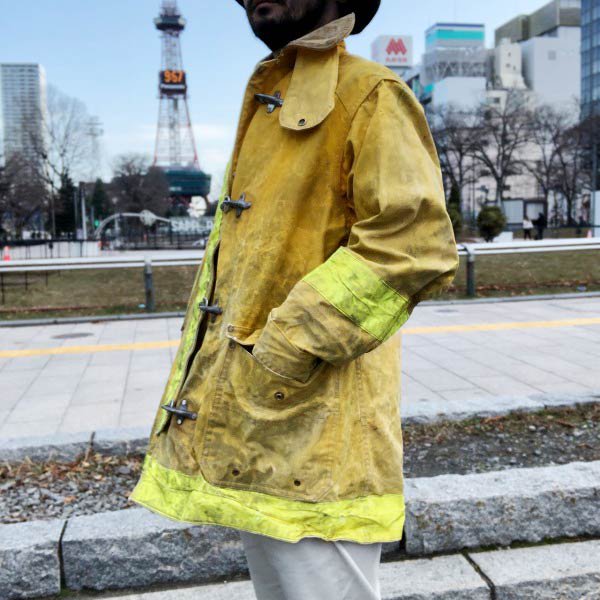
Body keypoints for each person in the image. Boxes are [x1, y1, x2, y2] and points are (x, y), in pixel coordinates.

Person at [129, 1, 458, 598]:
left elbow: (412, 243)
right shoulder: (274, 99)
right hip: (268, 425)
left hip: (317, 432)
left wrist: (282, 347)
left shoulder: (368, 93)